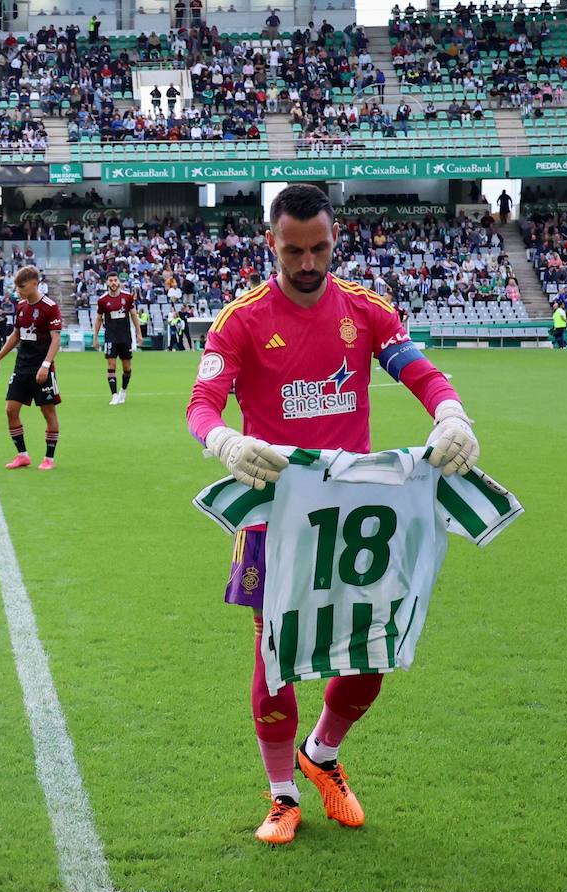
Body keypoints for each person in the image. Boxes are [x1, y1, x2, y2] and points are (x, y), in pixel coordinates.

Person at [184, 184, 477, 846]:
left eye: (319, 248)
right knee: (274, 649)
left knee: (374, 643)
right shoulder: (240, 319)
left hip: (354, 515)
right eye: (294, 250)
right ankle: (282, 792)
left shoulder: (366, 311)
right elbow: (202, 400)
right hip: (274, 510)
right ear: (271, 242)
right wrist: (223, 440)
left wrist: (452, 412)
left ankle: (322, 751)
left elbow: (421, 372)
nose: (309, 261)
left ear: (334, 238)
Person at [0, 265, 61, 471]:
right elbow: (16, 335)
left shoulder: (50, 306)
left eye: (21, 286)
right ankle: (22, 455)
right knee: (11, 410)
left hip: (42, 370)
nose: (18, 290)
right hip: (21, 368)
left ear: (34, 284)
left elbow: (56, 340)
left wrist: (46, 365)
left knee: (48, 413)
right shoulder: (21, 306)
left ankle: (49, 458)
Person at [93, 271, 140, 405]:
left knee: (127, 368)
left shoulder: (128, 297)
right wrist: (95, 337)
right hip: (110, 337)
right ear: (107, 283)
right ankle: (114, 395)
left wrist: (138, 332)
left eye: (115, 280)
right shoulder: (102, 300)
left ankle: (123, 391)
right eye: (111, 280)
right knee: (111, 366)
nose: (113, 283)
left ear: (118, 282)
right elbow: (98, 319)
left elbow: (134, 315)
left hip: (125, 337)